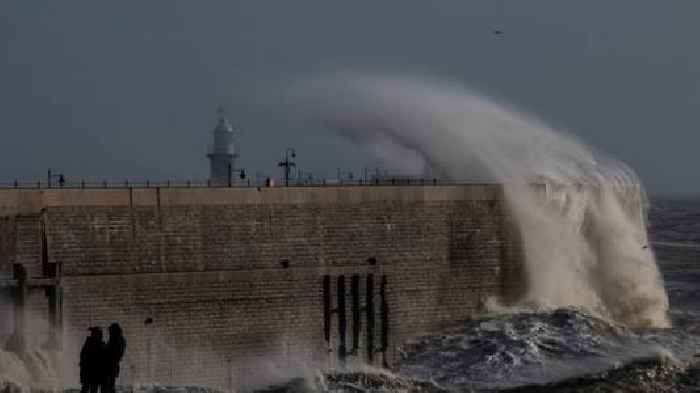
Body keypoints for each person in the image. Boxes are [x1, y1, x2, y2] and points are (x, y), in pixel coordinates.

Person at [102, 323, 126, 393]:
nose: (109, 332)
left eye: (110, 330)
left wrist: (104, 347)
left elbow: (110, 351)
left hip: (110, 364)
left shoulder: (115, 340)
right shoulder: (121, 339)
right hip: (114, 364)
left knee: (108, 384)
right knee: (111, 383)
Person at [80, 327, 104, 393]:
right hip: (91, 372)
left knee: (90, 388)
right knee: (88, 388)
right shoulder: (91, 343)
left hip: (93, 372)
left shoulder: (90, 343)